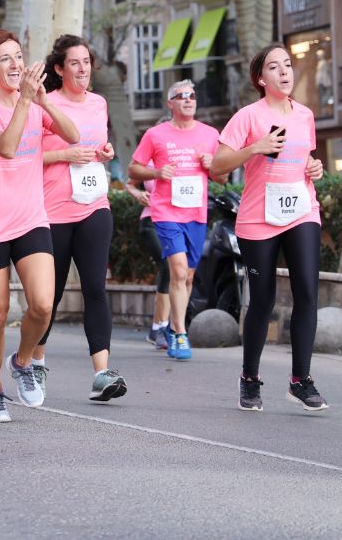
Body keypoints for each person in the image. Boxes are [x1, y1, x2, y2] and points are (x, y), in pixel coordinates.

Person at [0, 30, 79, 422]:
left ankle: (23, 361)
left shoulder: (33, 101)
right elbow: (8, 146)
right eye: (6, 59)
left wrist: (43, 100)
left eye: (19, 56)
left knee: (43, 305)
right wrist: (26, 101)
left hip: (30, 218)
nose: (15, 65)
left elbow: (73, 135)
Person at [212, 44, 327, 412]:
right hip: (259, 217)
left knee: (308, 291)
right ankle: (249, 379)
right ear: (261, 79)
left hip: (300, 208)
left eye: (288, 65)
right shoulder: (248, 116)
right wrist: (254, 148)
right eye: (274, 68)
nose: (284, 72)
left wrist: (315, 167)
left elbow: (304, 156)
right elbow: (217, 166)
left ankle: (301, 380)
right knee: (263, 300)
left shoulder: (305, 115)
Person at [33, 35, 126, 401]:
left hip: (93, 204)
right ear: (59, 68)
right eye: (75, 62)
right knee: (49, 296)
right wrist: (63, 156)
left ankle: (102, 373)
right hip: (53, 211)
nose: (83, 68)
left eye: (87, 61)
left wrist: (105, 153)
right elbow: (26, 157)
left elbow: (96, 147)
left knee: (95, 288)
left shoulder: (99, 103)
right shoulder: (45, 104)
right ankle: (36, 362)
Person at [128, 80, 225, 361]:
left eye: (192, 95)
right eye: (180, 96)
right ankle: (181, 333)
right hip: (166, 212)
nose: (188, 100)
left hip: (195, 213)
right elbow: (134, 169)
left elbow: (222, 177)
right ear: (170, 103)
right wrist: (157, 173)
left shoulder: (210, 134)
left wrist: (213, 166)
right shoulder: (156, 135)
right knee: (179, 271)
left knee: (189, 275)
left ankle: (172, 327)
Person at [126, 177, 170, 349]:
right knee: (166, 265)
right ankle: (160, 328)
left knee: (176, 271)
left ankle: (158, 328)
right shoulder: (150, 157)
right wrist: (138, 194)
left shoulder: (186, 154)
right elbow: (130, 184)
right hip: (151, 220)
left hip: (177, 220)